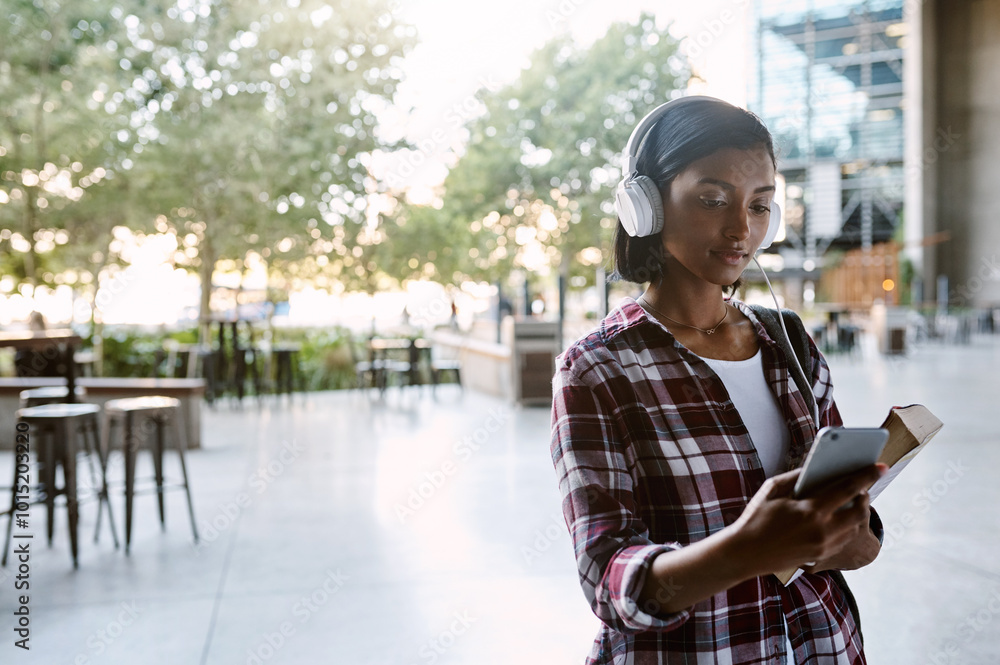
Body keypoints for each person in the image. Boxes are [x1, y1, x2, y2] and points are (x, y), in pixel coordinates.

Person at [550, 96, 885, 664]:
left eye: (760, 206)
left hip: (822, 646)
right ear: (645, 206)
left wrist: (853, 537)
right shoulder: (597, 369)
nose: (740, 229)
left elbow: (856, 529)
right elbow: (607, 578)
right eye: (712, 199)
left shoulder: (790, 343)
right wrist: (745, 549)